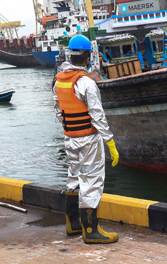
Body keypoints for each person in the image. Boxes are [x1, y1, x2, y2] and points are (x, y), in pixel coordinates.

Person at [53, 35, 120, 244]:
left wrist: (70, 130)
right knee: (91, 181)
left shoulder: (58, 81)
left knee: (74, 178)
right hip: (89, 139)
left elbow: (59, 112)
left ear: (70, 55)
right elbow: (97, 116)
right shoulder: (86, 83)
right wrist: (110, 142)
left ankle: (72, 224)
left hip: (70, 138)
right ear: (87, 57)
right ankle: (91, 231)